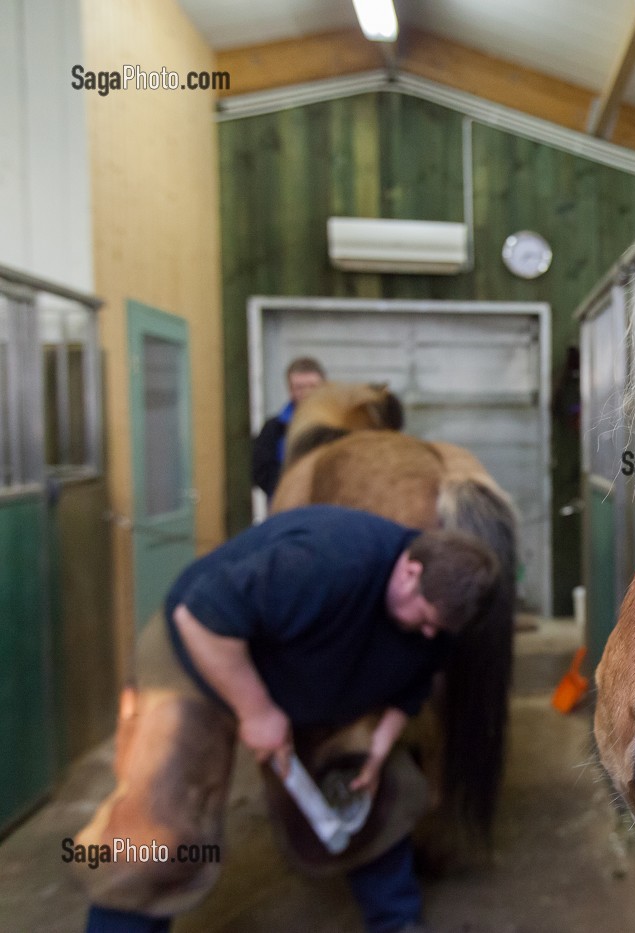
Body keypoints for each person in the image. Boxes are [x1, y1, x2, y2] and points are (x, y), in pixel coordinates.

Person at [73, 505, 500, 933]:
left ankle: (397, 920)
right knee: (162, 817)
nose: (428, 634)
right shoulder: (327, 562)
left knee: (361, 788)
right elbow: (200, 617)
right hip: (203, 652)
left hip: (308, 668)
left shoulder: (444, 611)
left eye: (438, 630)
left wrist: (378, 748)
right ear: (409, 570)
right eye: (424, 619)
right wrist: (256, 711)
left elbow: (412, 683)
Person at [253, 356, 327, 497]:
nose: (306, 393)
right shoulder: (274, 429)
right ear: (290, 390)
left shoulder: (337, 427)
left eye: (312, 386)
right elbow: (261, 472)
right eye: (299, 387)